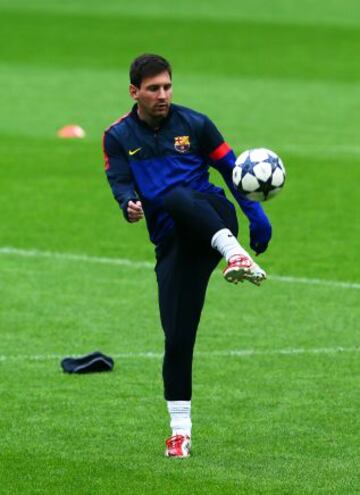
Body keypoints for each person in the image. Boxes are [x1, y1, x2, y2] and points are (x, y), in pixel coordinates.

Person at [103, 54, 272, 458]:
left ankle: (235, 253)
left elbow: (235, 174)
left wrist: (258, 218)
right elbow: (120, 182)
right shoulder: (118, 137)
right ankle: (180, 433)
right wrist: (128, 204)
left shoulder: (195, 124)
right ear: (134, 92)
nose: (163, 95)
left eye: (167, 86)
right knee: (177, 338)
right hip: (174, 244)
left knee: (177, 195)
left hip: (213, 216)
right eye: (154, 89)